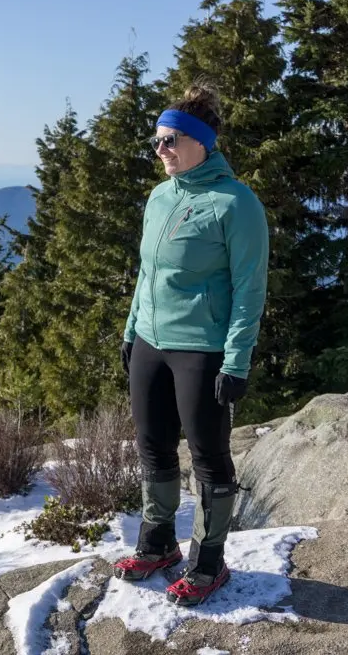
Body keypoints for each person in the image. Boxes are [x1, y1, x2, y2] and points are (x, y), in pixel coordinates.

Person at [112, 84, 269, 606]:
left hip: (201, 350)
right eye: (156, 141)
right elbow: (145, 274)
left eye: (170, 140)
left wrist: (237, 360)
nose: (160, 151)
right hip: (151, 344)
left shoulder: (235, 203)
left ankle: (208, 561)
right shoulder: (160, 197)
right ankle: (157, 545)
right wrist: (132, 330)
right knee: (152, 445)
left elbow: (250, 289)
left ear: (202, 142)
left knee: (208, 457)